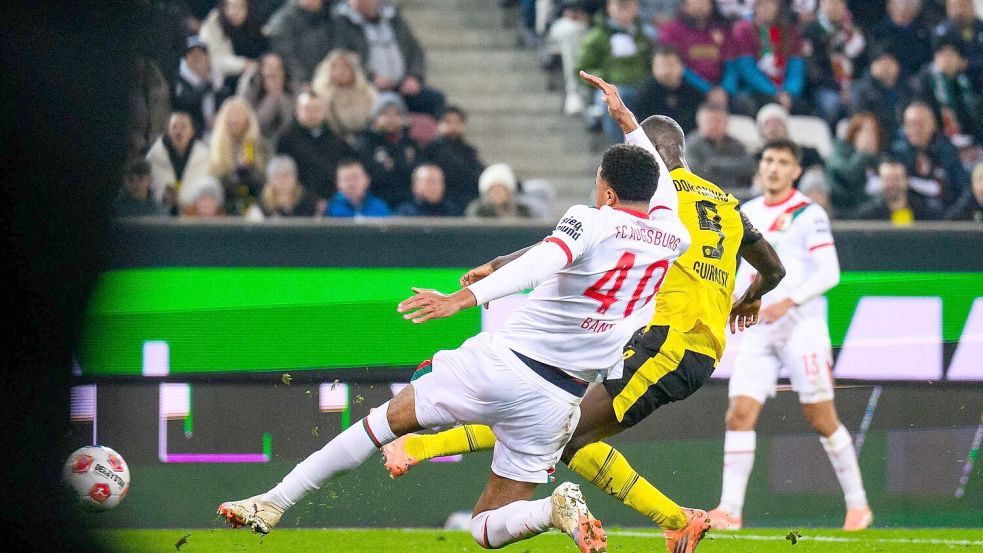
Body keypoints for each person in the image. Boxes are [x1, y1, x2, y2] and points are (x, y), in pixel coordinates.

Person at [218, 137, 695, 553]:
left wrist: (462, 299)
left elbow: (540, 263)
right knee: (486, 527)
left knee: (381, 422)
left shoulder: (589, 220)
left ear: (607, 191)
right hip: (561, 400)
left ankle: (274, 502)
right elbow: (666, 196)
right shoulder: (673, 237)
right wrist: (627, 120)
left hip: (503, 365)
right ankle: (550, 511)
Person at [380, 71, 787, 553]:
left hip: (668, 343)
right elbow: (774, 268)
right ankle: (677, 521)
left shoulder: (657, 206)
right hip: (684, 345)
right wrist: (751, 296)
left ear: (650, 156)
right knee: (556, 424)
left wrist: (497, 265)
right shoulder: (724, 203)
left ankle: (677, 520)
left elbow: (568, 246)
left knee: (562, 431)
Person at [707, 137, 873, 533]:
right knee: (739, 414)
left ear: (796, 171)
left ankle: (858, 506)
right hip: (759, 330)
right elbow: (738, 269)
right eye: (768, 160)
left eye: (782, 162)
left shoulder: (809, 213)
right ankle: (730, 510)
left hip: (802, 328)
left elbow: (829, 272)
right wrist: (734, 297)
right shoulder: (746, 212)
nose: (773, 167)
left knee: (821, 418)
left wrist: (788, 301)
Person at [333, 0, 446, 117]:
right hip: (370, 90)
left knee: (435, 99)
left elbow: (415, 50)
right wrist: (372, 78)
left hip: (403, 86)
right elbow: (345, 58)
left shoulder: (393, 18)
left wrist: (414, 76)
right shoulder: (341, 23)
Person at [577, 0, 653, 143]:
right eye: (619, 6)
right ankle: (618, 146)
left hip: (642, 86)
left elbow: (652, 64)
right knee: (613, 100)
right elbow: (582, 69)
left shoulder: (646, 35)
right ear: (609, 7)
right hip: (611, 87)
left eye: (628, 5)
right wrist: (606, 79)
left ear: (636, 7)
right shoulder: (597, 36)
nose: (624, 10)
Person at [730, 0, 807, 117]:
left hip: (785, 92)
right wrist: (775, 93)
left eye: (771, 3)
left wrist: (788, 91)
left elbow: (796, 68)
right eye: (762, 4)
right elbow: (747, 68)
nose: (766, 7)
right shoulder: (743, 29)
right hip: (755, 90)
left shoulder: (789, 32)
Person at [889, 101, 969, 213]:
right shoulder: (896, 153)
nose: (915, 129)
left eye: (920, 123)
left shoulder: (948, 151)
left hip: (944, 215)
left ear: (932, 124)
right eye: (910, 124)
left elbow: (959, 190)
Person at [275, 91, 355, 203]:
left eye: (317, 109)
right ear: (297, 111)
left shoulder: (338, 141)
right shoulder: (286, 140)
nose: (312, 114)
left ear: (324, 111)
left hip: (333, 201)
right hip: (296, 201)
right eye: (307, 109)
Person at [658, 0, 738, 108]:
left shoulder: (722, 30)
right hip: (686, 90)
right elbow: (677, 67)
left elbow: (730, 64)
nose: (700, 5)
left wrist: (725, 90)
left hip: (722, 93)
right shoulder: (671, 31)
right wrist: (707, 90)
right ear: (684, 4)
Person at [801, 0, 867, 126]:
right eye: (830, 3)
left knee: (859, 98)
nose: (834, 7)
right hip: (825, 86)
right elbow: (812, 68)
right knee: (831, 104)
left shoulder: (853, 31)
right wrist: (837, 87)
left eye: (838, 3)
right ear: (821, 4)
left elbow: (862, 62)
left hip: (852, 84)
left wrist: (849, 86)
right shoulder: (811, 30)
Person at [911, 35, 983, 145]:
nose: (947, 59)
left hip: (970, 141)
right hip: (937, 142)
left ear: (960, 60)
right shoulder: (923, 82)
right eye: (942, 54)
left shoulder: (965, 82)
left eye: (951, 54)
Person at [354, 92, 419, 208]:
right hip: (374, 201)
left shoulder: (410, 143)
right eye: (385, 114)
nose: (391, 119)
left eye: (396, 114)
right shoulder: (365, 142)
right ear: (375, 117)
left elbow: (415, 173)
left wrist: (393, 165)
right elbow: (372, 174)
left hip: (408, 201)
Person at [145, 111, 211, 215]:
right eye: (174, 127)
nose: (179, 132)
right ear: (167, 131)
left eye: (183, 127)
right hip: (159, 215)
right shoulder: (154, 155)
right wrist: (163, 197)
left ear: (192, 131)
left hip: (195, 215)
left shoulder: (203, 155)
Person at [210, 96, 268, 215]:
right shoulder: (215, 146)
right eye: (230, 115)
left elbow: (264, 179)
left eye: (238, 114)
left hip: (254, 201)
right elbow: (214, 180)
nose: (234, 119)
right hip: (225, 202)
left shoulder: (259, 144)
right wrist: (235, 173)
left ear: (248, 118)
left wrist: (249, 169)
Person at [420, 106, 485, 212]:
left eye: (458, 122)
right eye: (448, 122)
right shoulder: (432, 150)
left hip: (467, 201)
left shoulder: (469, 151)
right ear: (438, 125)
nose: (453, 127)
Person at [629, 45, 704, 134]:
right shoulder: (644, 94)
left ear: (682, 67)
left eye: (671, 65)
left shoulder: (693, 93)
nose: (666, 71)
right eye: (660, 66)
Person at [311, 49, 379, 144]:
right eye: (336, 68)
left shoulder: (368, 92)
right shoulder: (320, 93)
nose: (341, 72)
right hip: (333, 140)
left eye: (345, 67)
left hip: (365, 138)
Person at [686, 102, 757, 192]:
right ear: (699, 123)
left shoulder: (734, 143)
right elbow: (694, 172)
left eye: (718, 121)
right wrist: (730, 176)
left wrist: (714, 165)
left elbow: (749, 166)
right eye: (709, 121)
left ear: (726, 123)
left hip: (735, 193)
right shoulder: (691, 144)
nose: (714, 125)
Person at [199, 0, 268, 91]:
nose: (234, 12)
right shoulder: (213, 24)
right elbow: (216, 61)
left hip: (253, 77)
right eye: (230, 6)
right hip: (222, 82)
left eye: (240, 7)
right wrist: (243, 65)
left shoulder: (254, 22)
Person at [264, 0, 336, 86]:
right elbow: (286, 55)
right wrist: (303, 81)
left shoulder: (331, 16)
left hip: (329, 81)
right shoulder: (284, 20)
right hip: (297, 84)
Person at [848, 44, 909, 144]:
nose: (885, 67)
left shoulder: (908, 86)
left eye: (889, 61)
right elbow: (859, 120)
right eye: (880, 62)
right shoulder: (862, 92)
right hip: (878, 138)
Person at [852, 159, 943, 222]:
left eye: (896, 178)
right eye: (887, 179)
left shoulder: (924, 213)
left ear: (906, 181)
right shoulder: (867, 216)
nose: (892, 184)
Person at [826, 112, 883, 215]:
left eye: (874, 132)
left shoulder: (880, 160)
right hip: (845, 212)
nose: (871, 137)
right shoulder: (839, 152)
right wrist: (863, 154)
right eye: (866, 132)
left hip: (875, 215)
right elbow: (848, 176)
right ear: (854, 133)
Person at [172, 36, 229, 133]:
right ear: (186, 59)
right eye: (192, 54)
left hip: (217, 131)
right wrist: (206, 85)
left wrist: (220, 116)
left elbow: (225, 101)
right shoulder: (179, 80)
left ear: (207, 57)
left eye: (200, 54)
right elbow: (184, 103)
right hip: (192, 134)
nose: (196, 58)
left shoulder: (217, 78)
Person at [237, 52, 296, 141]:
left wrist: (280, 97)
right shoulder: (251, 86)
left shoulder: (292, 89)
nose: (273, 72)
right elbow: (253, 124)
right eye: (269, 67)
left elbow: (290, 124)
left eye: (277, 68)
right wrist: (271, 99)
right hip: (252, 139)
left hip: (285, 141)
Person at [871, 0, 934, 80]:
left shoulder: (923, 30)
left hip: (921, 76)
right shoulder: (881, 31)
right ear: (890, 7)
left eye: (907, 4)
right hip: (895, 78)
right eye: (898, 4)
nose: (903, 8)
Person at [754, 103, 824, 174]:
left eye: (777, 123)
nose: (773, 129)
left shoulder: (808, 155)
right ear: (761, 131)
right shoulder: (756, 159)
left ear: (786, 128)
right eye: (768, 124)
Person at [245, 155, 319, 219]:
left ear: (296, 178)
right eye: (278, 176)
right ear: (269, 180)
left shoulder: (310, 206)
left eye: (287, 176)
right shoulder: (258, 211)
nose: (283, 181)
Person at [933, 0, 983, 86]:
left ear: (971, 7)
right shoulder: (942, 33)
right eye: (953, 7)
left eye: (963, 6)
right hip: (954, 82)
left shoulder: (980, 27)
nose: (958, 11)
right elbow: (940, 63)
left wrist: (968, 63)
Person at [325, 159, 392, 217]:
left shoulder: (380, 207)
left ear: (367, 180)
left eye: (355, 178)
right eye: (346, 179)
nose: (351, 183)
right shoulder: (331, 209)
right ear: (338, 183)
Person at [466, 163, 534, 218]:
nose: (498, 192)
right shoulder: (478, 211)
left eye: (502, 189)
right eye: (494, 189)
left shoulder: (523, 211)